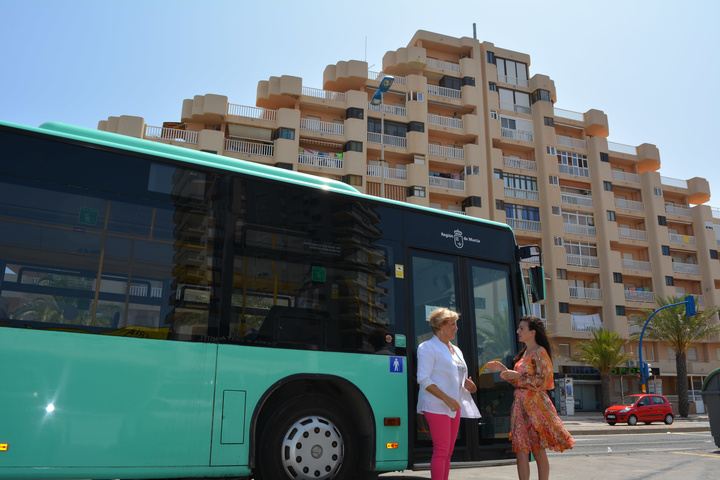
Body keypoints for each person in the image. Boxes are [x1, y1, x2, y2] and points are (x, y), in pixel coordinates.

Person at [486, 315, 574, 480]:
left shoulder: (540, 351)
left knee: (537, 449)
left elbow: (545, 382)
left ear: (532, 332)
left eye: (521, 328)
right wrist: (503, 368)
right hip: (519, 405)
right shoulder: (524, 353)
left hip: (535, 406)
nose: (517, 331)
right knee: (520, 450)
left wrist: (517, 375)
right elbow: (517, 381)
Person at [416, 307, 481, 480]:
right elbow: (423, 379)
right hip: (437, 405)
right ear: (441, 326)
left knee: (448, 452)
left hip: (454, 405)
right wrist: (446, 398)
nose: (456, 328)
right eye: (453, 324)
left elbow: (462, 381)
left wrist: (471, 386)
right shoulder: (427, 347)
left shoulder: (456, 350)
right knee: (442, 450)